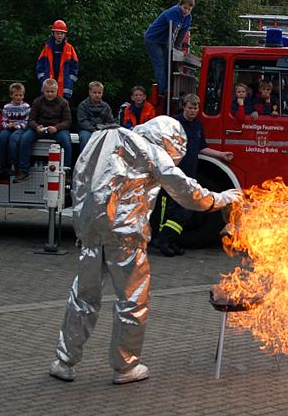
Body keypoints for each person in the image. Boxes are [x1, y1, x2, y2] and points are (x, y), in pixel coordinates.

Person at [49, 116, 242, 384]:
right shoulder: (148, 149)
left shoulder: (100, 139)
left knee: (83, 299)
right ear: (168, 141)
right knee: (132, 301)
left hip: (91, 234)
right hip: (127, 238)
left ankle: (64, 361)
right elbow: (184, 189)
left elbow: (81, 181)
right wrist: (221, 198)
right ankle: (125, 367)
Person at [151, 93, 233, 256]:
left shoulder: (197, 125)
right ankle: (165, 241)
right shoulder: (173, 123)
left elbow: (201, 148)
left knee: (186, 210)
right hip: (172, 176)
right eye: (190, 108)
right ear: (184, 107)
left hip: (188, 175)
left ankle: (168, 240)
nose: (192, 111)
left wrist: (220, 155)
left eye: (195, 108)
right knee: (169, 210)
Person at [15, 79, 72, 183]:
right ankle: (23, 170)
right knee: (25, 138)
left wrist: (57, 127)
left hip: (57, 129)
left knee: (66, 140)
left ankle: (67, 170)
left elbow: (68, 121)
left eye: (52, 91)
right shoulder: (37, 102)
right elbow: (31, 120)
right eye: (47, 91)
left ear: (57, 91)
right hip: (40, 129)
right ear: (43, 90)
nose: (50, 94)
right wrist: (36, 127)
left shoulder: (63, 102)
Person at [144, 0, 194, 94]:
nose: (186, 11)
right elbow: (174, 31)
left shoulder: (188, 17)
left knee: (169, 63)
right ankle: (164, 90)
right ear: (180, 5)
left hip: (164, 41)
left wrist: (175, 49)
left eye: (189, 9)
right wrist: (171, 49)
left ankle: (172, 86)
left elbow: (182, 34)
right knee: (160, 64)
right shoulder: (175, 12)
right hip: (153, 39)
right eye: (185, 8)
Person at [0, 82, 31, 175]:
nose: (18, 97)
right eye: (16, 95)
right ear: (11, 95)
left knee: (13, 138)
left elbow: (27, 122)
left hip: (20, 128)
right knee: (1, 137)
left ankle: (13, 163)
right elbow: (3, 121)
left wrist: (18, 126)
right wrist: (7, 125)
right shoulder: (7, 107)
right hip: (9, 127)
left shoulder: (26, 107)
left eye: (20, 95)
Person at [36, 20, 79, 99]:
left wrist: (70, 81)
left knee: (63, 108)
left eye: (62, 33)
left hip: (64, 85)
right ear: (53, 34)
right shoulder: (47, 48)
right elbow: (40, 65)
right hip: (49, 84)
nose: (60, 35)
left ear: (65, 34)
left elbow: (75, 66)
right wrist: (43, 78)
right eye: (57, 33)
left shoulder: (69, 48)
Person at [77, 81, 116, 152]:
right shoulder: (83, 105)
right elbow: (82, 121)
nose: (97, 95)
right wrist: (93, 130)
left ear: (102, 93)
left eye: (99, 93)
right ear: (89, 92)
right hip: (87, 130)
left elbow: (110, 121)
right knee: (84, 138)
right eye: (94, 93)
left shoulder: (106, 106)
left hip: (103, 130)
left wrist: (103, 129)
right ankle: (84, 161)